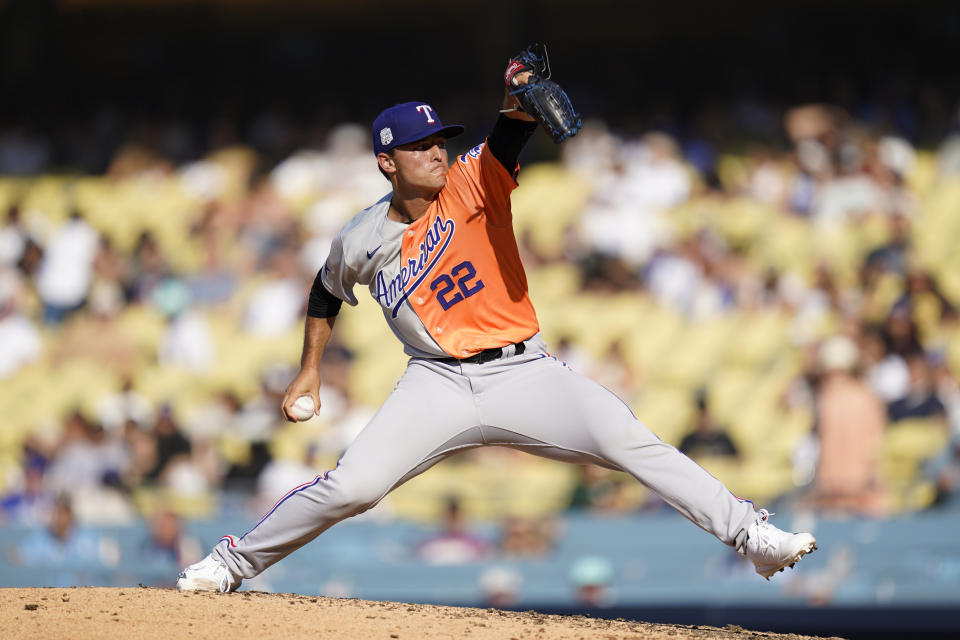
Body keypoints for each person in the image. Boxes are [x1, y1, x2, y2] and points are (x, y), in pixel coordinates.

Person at [176, 59, 817, 593]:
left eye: (439, 140)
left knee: (630, 440)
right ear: (386, 161)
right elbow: (324, 290)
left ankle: (751, 536)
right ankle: (233, 563)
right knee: (352, 486)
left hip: (522, 370)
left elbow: (510, 133)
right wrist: (309, 368)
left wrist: (521, 92)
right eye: (420, 146)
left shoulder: (473, 182)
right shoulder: (362, 237)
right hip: (435, 384)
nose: (436, 151)